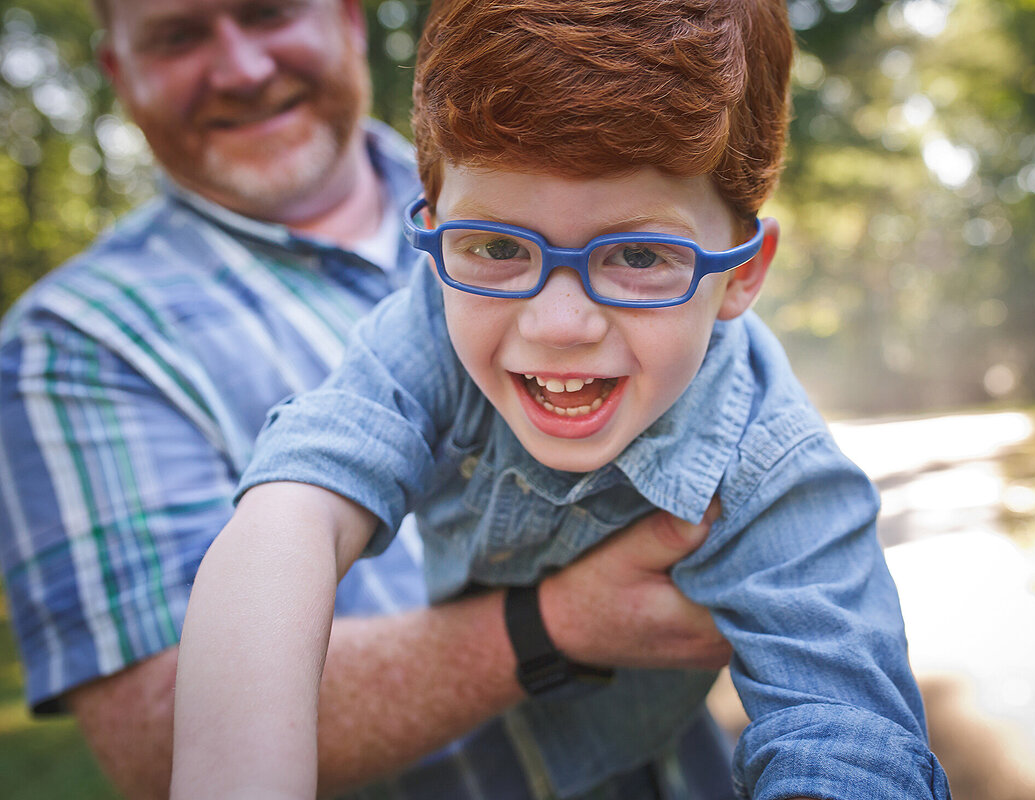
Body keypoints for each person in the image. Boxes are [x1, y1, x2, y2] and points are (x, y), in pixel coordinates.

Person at [171, 0, 953, 798]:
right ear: (438, 227)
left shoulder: (776, 473)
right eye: (500, 246)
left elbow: (848, 733)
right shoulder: (431, 322)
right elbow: (291, 511)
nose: (557, 324)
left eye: (640, 254)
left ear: (742, 273)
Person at [0, 0, 739, 797]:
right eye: (179, 36)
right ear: (120, 73)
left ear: (348, 18)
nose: (243, 69)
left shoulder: (554, 173)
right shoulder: (72, 341)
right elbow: (156, 732)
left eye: (267, 13)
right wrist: (556, 626)